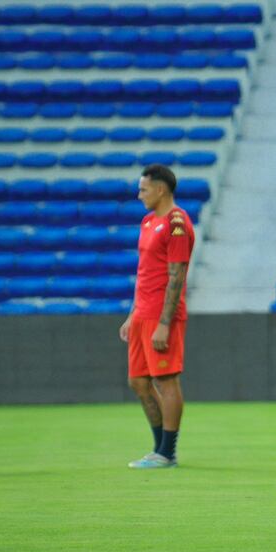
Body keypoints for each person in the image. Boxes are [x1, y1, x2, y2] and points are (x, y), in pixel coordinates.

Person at [119, 164, 195, 469]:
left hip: (163, 316)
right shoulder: (148, 222)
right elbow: (144, 273)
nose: (139, 195)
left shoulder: (177, 223)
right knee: (138, 382)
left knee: (165, 381)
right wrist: (132, 313)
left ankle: (167, 451)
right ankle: (158, 448)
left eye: (144, 189)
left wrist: (164, 323)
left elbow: (176, 274)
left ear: (161, 189)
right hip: (142, 313)